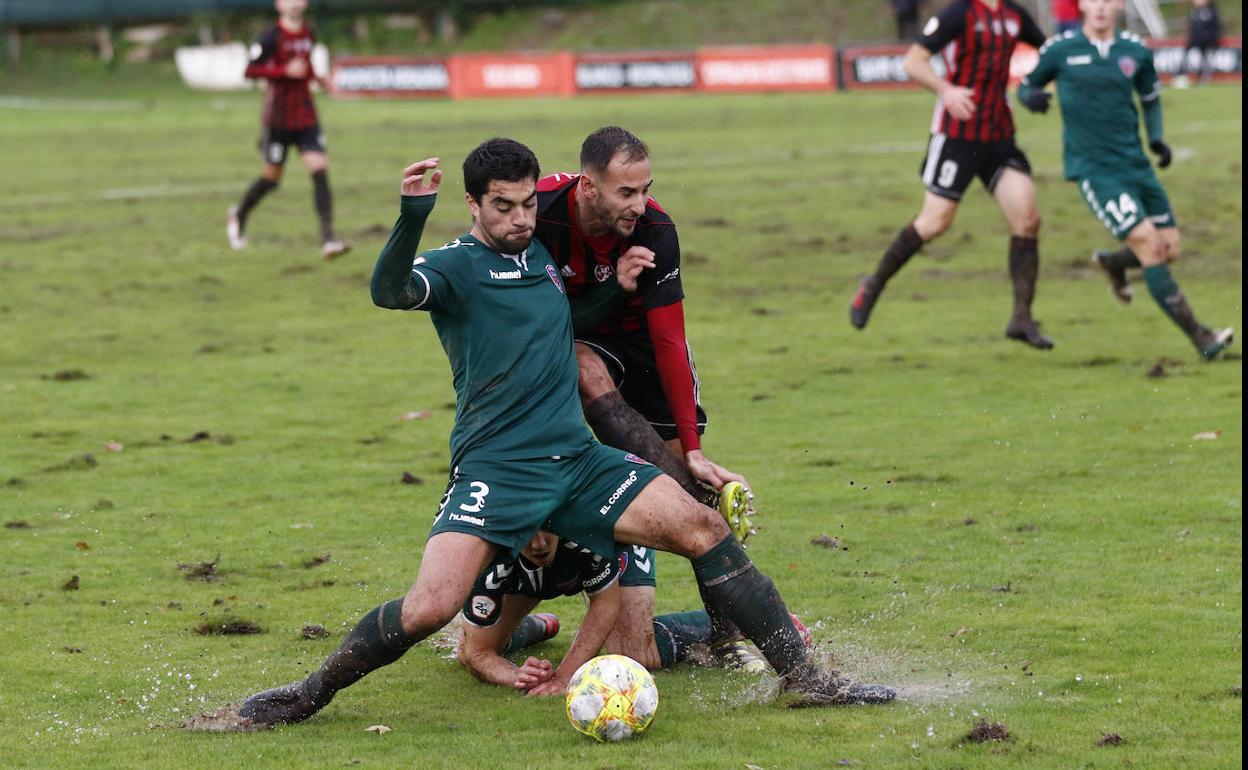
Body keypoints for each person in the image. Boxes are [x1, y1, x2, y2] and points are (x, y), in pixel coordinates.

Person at [232, 139, 894, 728]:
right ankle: (306, 694)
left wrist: (618, 290)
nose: (519, 218)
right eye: (502, 207)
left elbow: (560, 313)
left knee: (703, 529)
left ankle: (808, 682)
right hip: (498, 468)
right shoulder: (455, 267)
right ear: (471, 204)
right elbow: (389, 291)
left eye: (525, 204)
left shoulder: (541, 254)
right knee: (432, 607)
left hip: (578, 462)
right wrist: (410, 215)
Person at [535, 128, 755, 538]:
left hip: (641, 343)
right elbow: (544, 325)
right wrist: (616, 288)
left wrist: (693, 449)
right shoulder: (539, 211)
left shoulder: (656, 230)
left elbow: (670, 342)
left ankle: (736, 572)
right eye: (626, 193)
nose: (639, 205)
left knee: (687, 486)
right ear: (588, 187)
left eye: (645, 190)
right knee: (583, 367)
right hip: (580, 335)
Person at [1018, 0, 1234, 359]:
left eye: (1108, 0)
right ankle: (1202, 338)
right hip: (1095, 171)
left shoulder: (1134, 50)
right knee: (1150, 246)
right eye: (1093, 0)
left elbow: (1149, 99)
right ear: (1082, 5)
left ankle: (1114, 263)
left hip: (1136, 167)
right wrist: (1033, 98)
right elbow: (1025, 87)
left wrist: (1157, 139)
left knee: (1171, 248)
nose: (1101, 7)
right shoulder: (1061, 50)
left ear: (1119, 5)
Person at [849, 0, 1055, 350]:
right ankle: (874, 284)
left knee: (1027, 219)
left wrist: (1033, 86)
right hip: (958, 135)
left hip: (998, 134)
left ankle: (1021, 319)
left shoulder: (1014, 15)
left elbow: (1051, 52)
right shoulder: (959, 13)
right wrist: (946, 90)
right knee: (935, 221)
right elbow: (913, 61)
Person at [455, 532, 803, 692]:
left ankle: (756, 622)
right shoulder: (489, 552)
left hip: (608, 544)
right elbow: (476, 654)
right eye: (528, 534)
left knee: (633, 652)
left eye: (545, 531)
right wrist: (516, 676)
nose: (539, 543)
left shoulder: (585, 532)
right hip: (527, 573)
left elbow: (605, 603)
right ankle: (535, 628)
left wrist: (565, 677)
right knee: (475, 650)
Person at [226, 0, 349, 260]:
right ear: (278, 4)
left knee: (319, 171)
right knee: (271, 179)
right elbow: (250, 70)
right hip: (278, 119)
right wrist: (284, 70)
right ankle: (238, 215)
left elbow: (306, 65)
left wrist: (319, 80)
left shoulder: (308, 32)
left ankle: (328, 240)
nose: (294, 4)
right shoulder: (271, 36)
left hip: (305, 116)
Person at [1180, 0, 1221, 85]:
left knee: (1205, 59)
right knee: (1186, 55)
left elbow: (1215, 28)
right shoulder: (1194, 11)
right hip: (1194, 40)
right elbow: (1191, 26)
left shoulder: (1211, 11)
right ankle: (1181, 75)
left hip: (1207, 41)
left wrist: (1211, 39)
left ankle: (1204, 77)